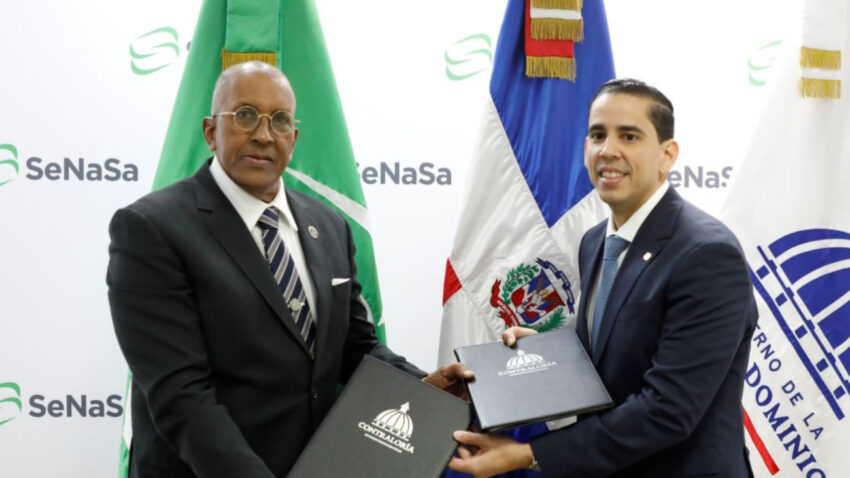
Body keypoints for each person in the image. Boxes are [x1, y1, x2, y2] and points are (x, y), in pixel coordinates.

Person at [107, 61, 471, 478]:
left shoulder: (330, 225)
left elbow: (355, 348)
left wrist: (424, 388)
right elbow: (182, 397)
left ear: (293, 139)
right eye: (245, 115)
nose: (264, 134)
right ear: (210, 131)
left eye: (280, 120)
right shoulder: (151, 229)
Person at [449, 79, 757, 477]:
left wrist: (528, 453)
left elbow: (668, 411)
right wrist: (551, 355)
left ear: (667, 155)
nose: (608, 150)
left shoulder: (707, 254)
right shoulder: (596, 241)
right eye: (598, 135)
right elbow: (612, 359)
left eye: (629, 136)